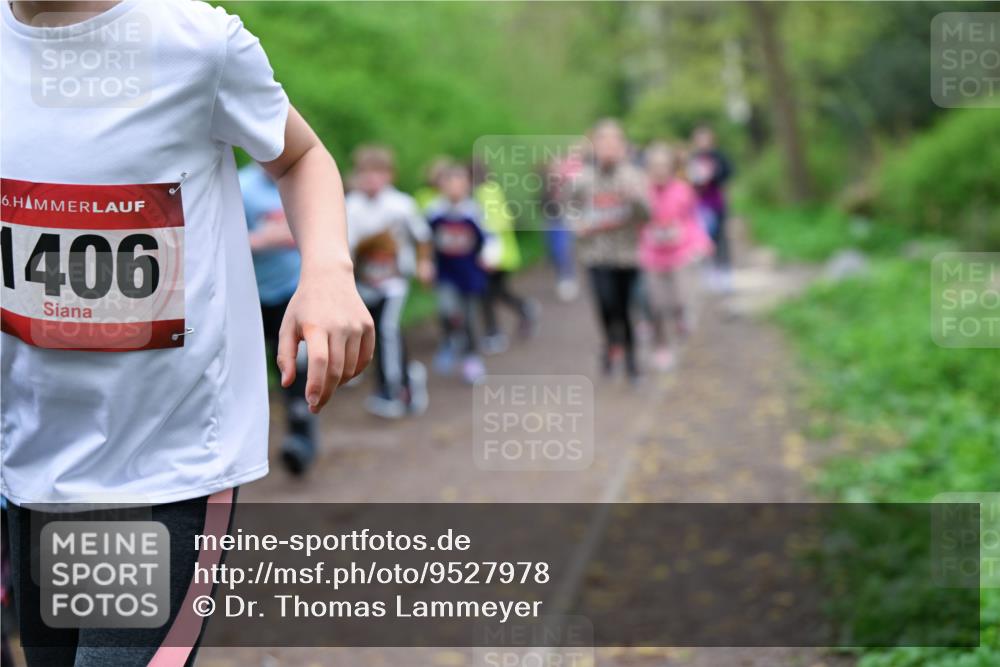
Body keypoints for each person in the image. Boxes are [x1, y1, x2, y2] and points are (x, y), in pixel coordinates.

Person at [1, 1, 374, 664]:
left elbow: (299, 157)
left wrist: (327, 268)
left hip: (161, 465)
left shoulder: (193, 45)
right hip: (30, 461)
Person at [345, 145, 433, 419]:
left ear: (389, 175)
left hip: (394, 281)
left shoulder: (401, 204)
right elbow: (346, 247)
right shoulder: (351, 206)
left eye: (377, 173)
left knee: (386, 330)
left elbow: (422, 237)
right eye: (365, 173)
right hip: (364, 281)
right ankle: (408, 377)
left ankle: (392, 390)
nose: (371, 179)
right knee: (370, 334)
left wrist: (423, 263)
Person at [240, 162, 317, 473]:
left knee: (295, 369)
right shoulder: (241, 186)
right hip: (249, 297)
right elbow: (217, 239)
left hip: (293, 293)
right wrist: (264, 240)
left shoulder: (305, 178)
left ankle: (301, 442)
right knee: (255, 372)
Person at [566, 119, 649, 382]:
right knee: (605, 304)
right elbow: (569, 208)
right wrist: (577, 224)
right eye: (604, 142)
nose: (609, 147)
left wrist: (635, 199)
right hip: (596, 254)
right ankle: (611, 343)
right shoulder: (583, 179)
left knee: (625, 309)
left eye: (615, 142)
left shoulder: (634, 177)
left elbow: (649, 215)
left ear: (623, 146)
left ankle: (631, 361)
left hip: (627, 255)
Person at [639, 143, 713, 371]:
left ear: (672, 167)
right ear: (648, 168)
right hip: (652, 255)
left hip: (680, 252)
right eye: (655, 166)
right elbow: (634, 222)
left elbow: (692, 219)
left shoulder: (683, 190)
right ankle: (661, 347)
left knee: (681, 298)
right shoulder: (641, 191)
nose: (659, 170)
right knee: (656, 305)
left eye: (664, 165)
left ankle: (682, 317)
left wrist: (701, 243)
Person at [426, 164, 496, 384]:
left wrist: (489, 256)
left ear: (467, 185)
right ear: (442, 186)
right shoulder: (434, 211)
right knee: (447, 310)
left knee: (469, 317)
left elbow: (491, 238)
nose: (455, 188)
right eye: (450, 183)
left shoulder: (474, 211)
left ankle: (471, 358)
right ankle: (449, 341)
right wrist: (424, 263)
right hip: (446, 273)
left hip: (470, 274)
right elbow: (423, 241)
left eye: (459, 183)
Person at [472, 158, 539, 354]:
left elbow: (497, 224)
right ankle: (525, 308)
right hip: (503, 254)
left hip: (496, 256)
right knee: (497, 292)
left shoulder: (484, 194)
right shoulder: (492, 190)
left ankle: (494, 333)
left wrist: (489, 253)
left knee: (487, 295)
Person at [688, 125, 734, 292]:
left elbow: (729, 174)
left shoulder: (719, 157)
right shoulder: (694, 158)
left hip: (717, 203)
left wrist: (715, 175)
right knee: (704, 241)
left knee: (721, 239)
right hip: (700, 206)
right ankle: (710, 274)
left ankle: (726, 275)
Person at [542, 147, 584, 302]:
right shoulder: (547, 183)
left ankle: (567, 279)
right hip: (551, 218)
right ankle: (563, 277)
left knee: (563, 250)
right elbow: (541, 200)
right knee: (554, 251)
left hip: (563, 219)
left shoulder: (570, 182)